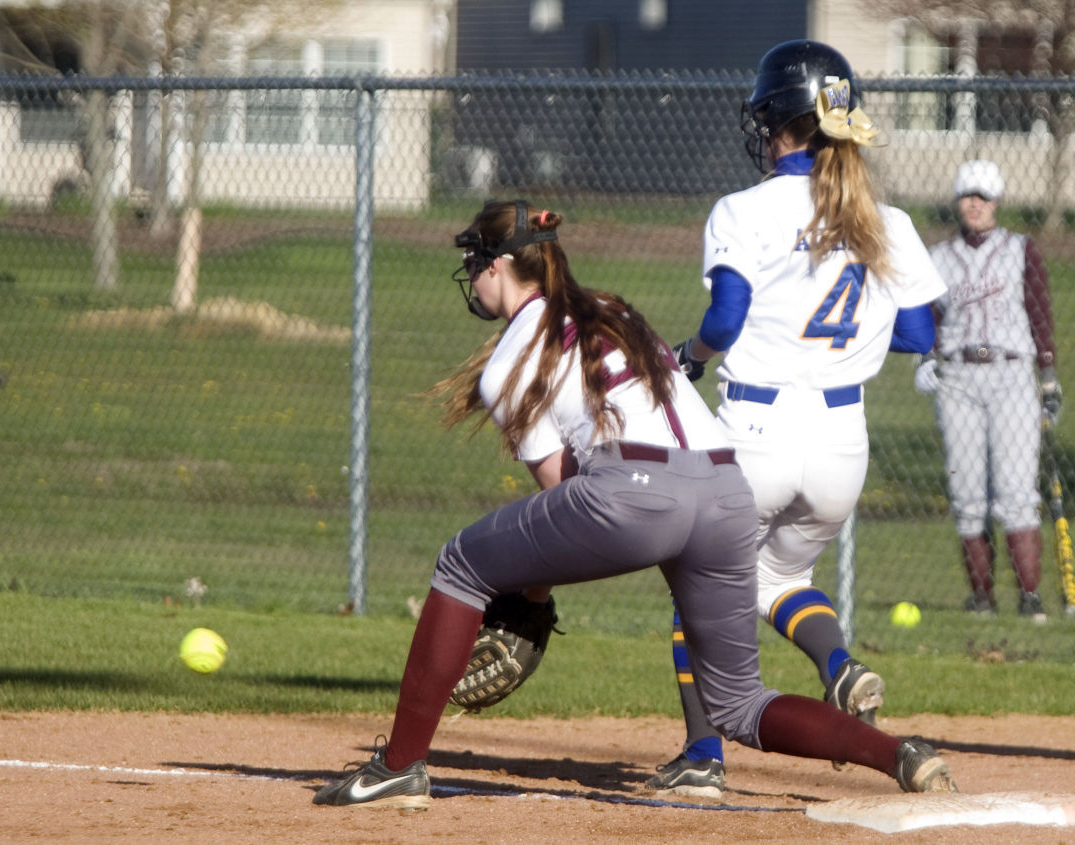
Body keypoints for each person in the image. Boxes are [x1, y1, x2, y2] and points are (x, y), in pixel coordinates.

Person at [310, 198, 955, 810]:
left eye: (475, 266)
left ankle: (397, 768)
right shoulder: (614, 309)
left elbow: (565, 493)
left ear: (500, 266)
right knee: (738, 704)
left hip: (635, 491)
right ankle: (899, 753)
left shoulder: (510, 355)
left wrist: (532, 603)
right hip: (729, 489)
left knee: (460, 566)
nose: (472, 281)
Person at [658, 40, 948, 799]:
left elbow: (726, 318)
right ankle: (838, 665)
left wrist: (689, 354)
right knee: (780, 574)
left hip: (755, 434)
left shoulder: (744, 209)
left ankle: (702, 755)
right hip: (841, 448)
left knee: (698, 583)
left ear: (781, 123)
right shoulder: (884, 216)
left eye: (766, 120)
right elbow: (921, 333)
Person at [914, 159, 1060, 623]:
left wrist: (1049, 376)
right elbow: (928, 319)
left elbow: (1039, 311)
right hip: (957, 378)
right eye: (967, 196)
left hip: (1012, 373)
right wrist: (925, 357)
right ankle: (981, 597)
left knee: (1017, 492)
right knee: (968, 492)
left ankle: (1030, 597)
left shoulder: (1020, 249)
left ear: (996, 202)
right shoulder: (937, 257)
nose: (974, 205)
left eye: (982, 197)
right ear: (958, 201)